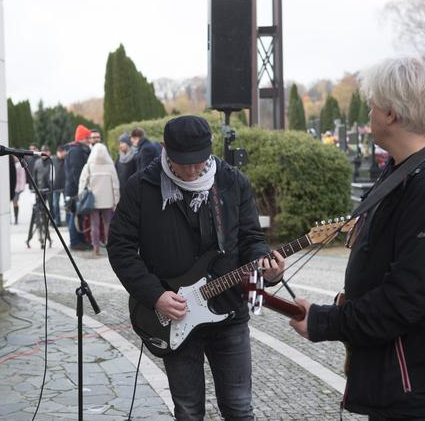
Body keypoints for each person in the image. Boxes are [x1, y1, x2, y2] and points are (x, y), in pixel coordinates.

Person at [289, 57, 425, 420]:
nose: (368, 113)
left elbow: (406, 298)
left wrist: (328, 321)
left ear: (391, 113)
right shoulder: (407, 171)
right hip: (410, 377)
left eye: (372, 105)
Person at [108, 115, 285, 420]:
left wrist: (268, 269)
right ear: (165, 149)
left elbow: (251, 238)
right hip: (173, 315)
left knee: (240, 409)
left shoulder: (232, 182)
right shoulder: (141, 187)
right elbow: (121, 249)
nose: (191, 170)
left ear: (210, 149)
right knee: (188, 411)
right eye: (182, 162)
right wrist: (155, 296)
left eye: (199, 161)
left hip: (229, 312)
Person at [78, 143, 120, 256]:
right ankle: (110, 247)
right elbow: (116, 186)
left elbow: (82, 183)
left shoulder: (89, 166)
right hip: (108, 200)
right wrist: (117, 201)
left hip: (93, 201)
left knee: (94, 225)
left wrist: (81, 197)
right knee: (108, 224)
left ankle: (95, 248)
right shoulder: (110, 166)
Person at [65, 125, 92, 250]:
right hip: (75, 190)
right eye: (87, 138)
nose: (89, 140)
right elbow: (76, 173)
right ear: (82, 138)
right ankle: (75, 242)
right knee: (74, 216)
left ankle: (80, 240)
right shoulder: (76, 151)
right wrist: (81, 190)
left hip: (76, 188)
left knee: (78, 216)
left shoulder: (78, 150)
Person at [51, 145, 67, 227]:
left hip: (65, 186)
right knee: (55, 205)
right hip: (55, 186)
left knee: (67, 204)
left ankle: (67, 221)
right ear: (57, 153)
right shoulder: (53, 160)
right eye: (59, 152)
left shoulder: (67, 159)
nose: (61, 154)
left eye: (62, 152)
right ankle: (57, 222)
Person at [11, 155, 26, 225]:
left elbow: (22, 176)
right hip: (11, 186)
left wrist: (22, 187)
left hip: (17, 187)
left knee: (15, 202)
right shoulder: (10, 163)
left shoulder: (19, 165)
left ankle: (16, 218)